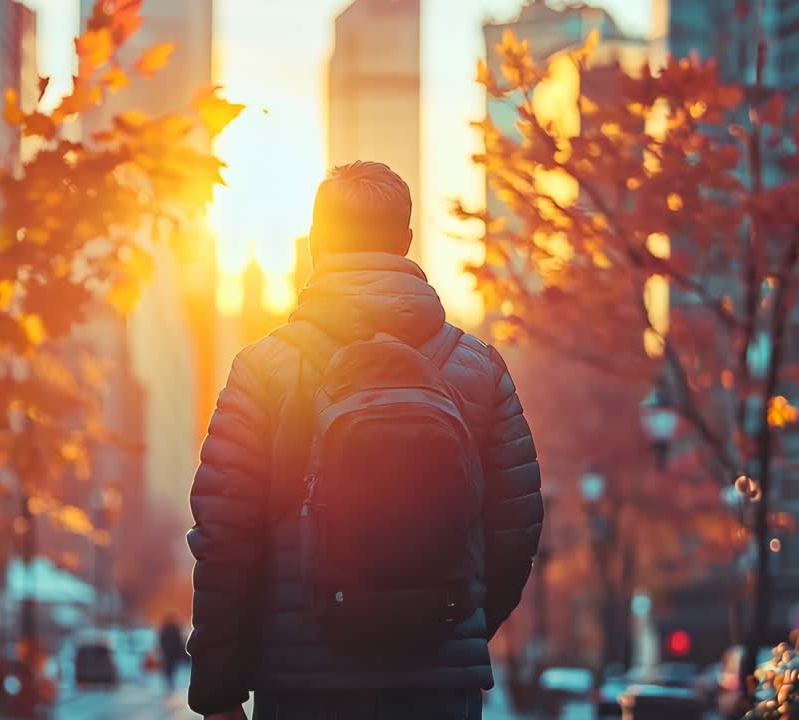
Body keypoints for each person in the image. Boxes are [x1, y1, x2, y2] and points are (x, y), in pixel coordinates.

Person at [187, 161, 543, 720]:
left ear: (317, 244)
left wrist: (218, 691)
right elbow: (515, 530)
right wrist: (454, 622)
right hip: (437, 688)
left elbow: (224, 540)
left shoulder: (262, 369)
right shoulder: (480, 370)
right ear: (405, 243)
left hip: (303, 686)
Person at [159, 612, 188, 691]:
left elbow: (161, 640)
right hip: (173, 652)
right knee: (172, 668)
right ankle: (170, 684)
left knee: (169, 668)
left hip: (168, 652)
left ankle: (169, 683)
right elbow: (179, 641)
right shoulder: (175, 628)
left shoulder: (164, 628)